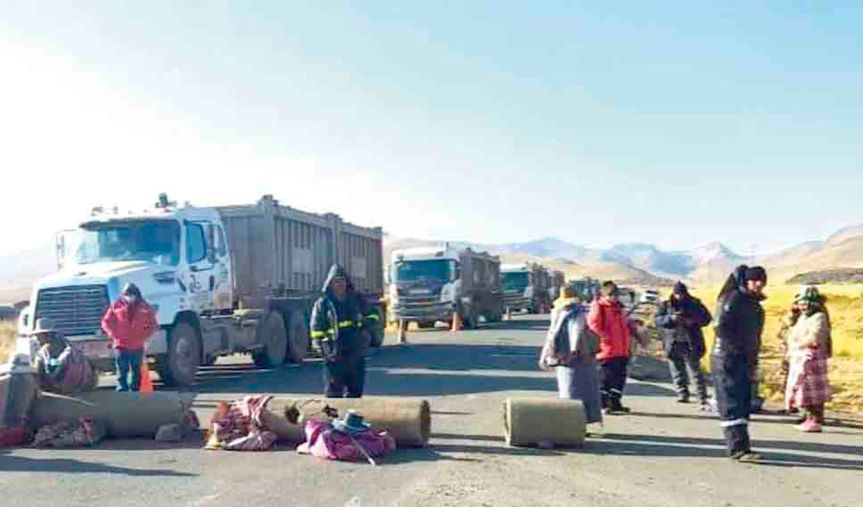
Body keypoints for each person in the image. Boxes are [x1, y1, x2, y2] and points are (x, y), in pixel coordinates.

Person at [712, 265, 767, 462]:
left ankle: (742, 446)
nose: (759, 283)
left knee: (743, 402)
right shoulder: (734, 299)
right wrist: (735, 348)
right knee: (732, 403)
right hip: (727, 358)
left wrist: (752, 359)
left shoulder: (753, 304)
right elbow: (720, 326)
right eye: (755, 280)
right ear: (746, 281)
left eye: (762, 280)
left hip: (743, 358)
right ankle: (737, 448)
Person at [311, 265, 379, 398]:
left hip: (356, 351)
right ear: (330, 283)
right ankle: (335, 419)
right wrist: (321, 348)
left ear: (347, 282)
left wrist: (364, 323)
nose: (339, 284)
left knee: (355, 392)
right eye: (336, 281)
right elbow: (316, 329)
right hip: (334, 354)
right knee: (333, 394)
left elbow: (374, 315)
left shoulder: (357, 299)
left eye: (342, 281)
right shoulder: (323, 303)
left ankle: (352, 418)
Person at [539, 286, 603, 425]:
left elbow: (555, 335)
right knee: (586, 391)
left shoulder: (564, 313)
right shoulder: (576, 312)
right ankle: (583, 419)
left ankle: (574, 422)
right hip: (581, 358)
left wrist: (545, 356)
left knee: (570, 392)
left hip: (568, 358)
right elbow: (575, 331)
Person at [654, 281, 712, 407]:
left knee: (695, 371)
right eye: (677, 294)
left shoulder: (695, 304)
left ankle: (701, 396)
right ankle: (682, 394)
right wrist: (671, 319)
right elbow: (658, 320)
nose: (679, 296)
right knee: (677, 370)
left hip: (691, 342)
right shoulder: (666, 305)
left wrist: (692, 321)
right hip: (672, 342)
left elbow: (706, 318)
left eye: (681, 294)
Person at [784, 286, 832, 433]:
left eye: (806, 304)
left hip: (812, 358)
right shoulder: (802, 317)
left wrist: (799, 344)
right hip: (799, 357)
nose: (804, 307)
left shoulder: (819, 317)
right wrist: (792, 314)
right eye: (801, 303)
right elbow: (788, 325)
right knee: (802, 388)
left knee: (813, 388)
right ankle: (806, 415)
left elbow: (815, 337)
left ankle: (815, 418)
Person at [101, 283, 158, 392]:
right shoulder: (116, 306)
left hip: (137, 345)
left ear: (137, 295)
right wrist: (113, 334)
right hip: (120, 344)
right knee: (122, 369)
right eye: (126, 294)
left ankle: (135, 390)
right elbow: (106, 322)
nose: (129, 297)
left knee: (137, 370)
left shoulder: (144, 307)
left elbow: (153, 324)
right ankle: (121, 389)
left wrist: (144, 336)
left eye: (131, 294)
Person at [587, 281, 633, 415]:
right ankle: (602, 404)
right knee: (605, 378)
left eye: (615, 294)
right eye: (611, 295)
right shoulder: (600, 306)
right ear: (604, 294)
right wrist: (604, 336)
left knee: (620, 378)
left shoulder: (618, 308)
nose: (613, 297)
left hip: (622, 348)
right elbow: (593, 324)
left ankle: (615, 402)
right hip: (606, 350)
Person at [30, 318, 97, 394]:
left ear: (46, 335)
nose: (37, 339)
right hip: (79, 386)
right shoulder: (68, 346)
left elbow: (49, 367)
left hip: (61, 383)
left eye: (38, 336)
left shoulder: (45, 352)